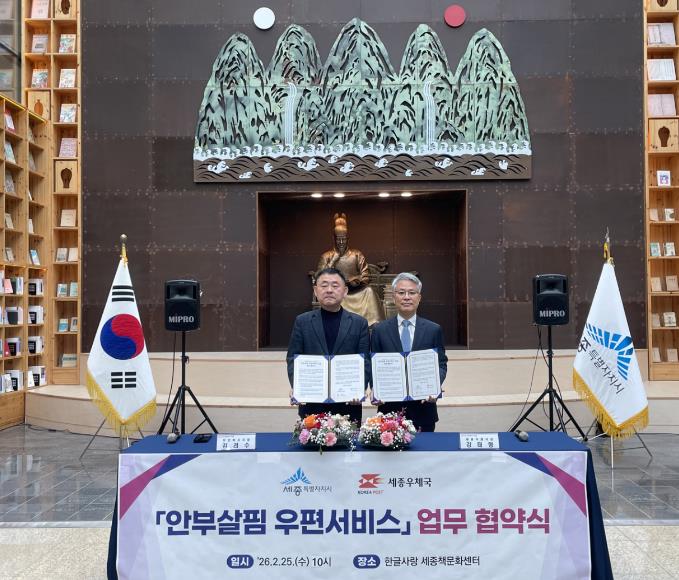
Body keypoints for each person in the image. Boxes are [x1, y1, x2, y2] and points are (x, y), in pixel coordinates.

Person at [287, 267, 370, 423]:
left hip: (348, 404)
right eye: (324, 285)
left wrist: (359, 389)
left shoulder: (359, 323)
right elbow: (293, 357)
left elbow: (365, 361)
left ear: (345, 291)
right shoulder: (302, 321)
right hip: (312, 404)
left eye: (335, 285)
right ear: (315, 291)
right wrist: (298, 386)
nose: (329, 290)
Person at [371, 272, 447, 432]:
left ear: (419, 297)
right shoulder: (380, 330)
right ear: (394, 297)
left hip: (424, 409)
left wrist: (435, 384)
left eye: (412, 293)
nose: (406, 297)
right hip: (389, 410)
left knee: (424, 448)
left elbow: (441, 363)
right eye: (401, 292)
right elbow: (373, 365)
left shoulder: (433, 330)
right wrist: (375, 389)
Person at [316, 213, 384, 326]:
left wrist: (358, 281)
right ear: (334, 239)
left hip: (356, 291)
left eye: (343, 239)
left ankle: (374, 324)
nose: (341, 243)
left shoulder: (356, 255)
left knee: (369, 291)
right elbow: (319, 276)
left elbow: (366, 275)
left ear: (347, 239)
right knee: (332, 295)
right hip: (337, 293)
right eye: (338, 239)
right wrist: (333, 261)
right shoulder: (327, 256)